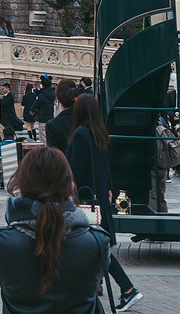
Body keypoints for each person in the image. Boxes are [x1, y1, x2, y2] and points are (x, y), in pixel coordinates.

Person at [0, 145, 108, 313]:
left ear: (22, 185)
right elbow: (96, 278)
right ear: (70, 185)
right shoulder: (97, 241)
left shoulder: (0, 241)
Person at [67, 93, 142, 310]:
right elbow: (104, 166)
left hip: (85, 200)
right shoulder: (98, 133)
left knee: (97, 247)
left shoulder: (81, 134)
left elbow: (75, 170)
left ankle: (127, 289)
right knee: (96, 245)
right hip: (99, 197)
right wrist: (108, 188)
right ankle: (93, 289)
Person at [45, 78, 79, 153]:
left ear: (58, 98)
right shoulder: (86, 120)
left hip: (63, 163)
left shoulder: (52, 125)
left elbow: (54, 157)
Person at [33, 74, 56, 145]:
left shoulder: (42, 95)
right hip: (50, 117)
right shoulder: (53, 94)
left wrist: (32, 110)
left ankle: (45, 152)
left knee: (43, 138)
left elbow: (36, 104)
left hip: (42, 117)